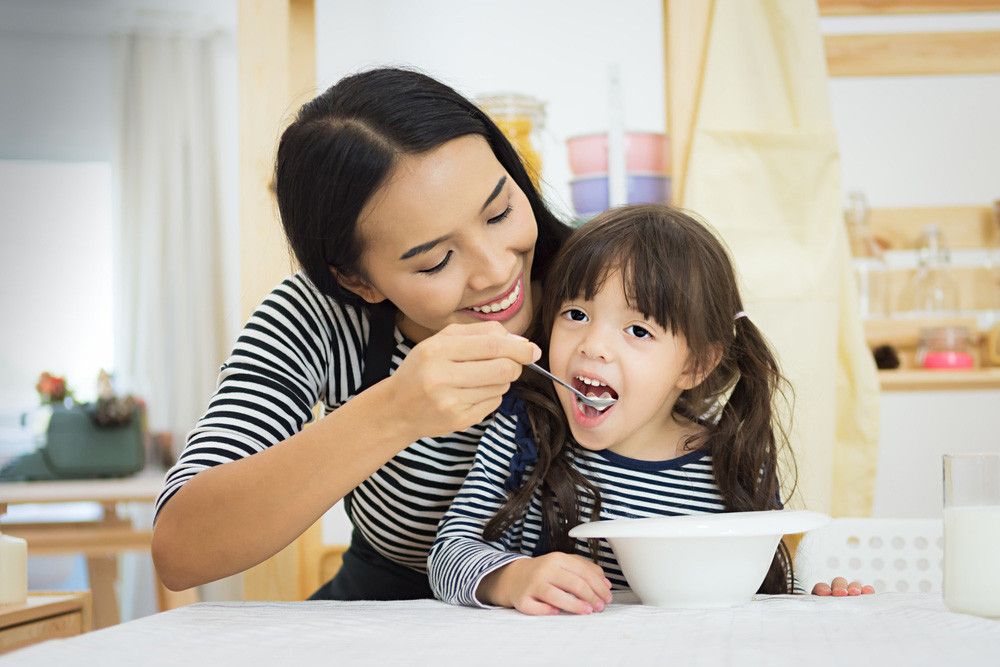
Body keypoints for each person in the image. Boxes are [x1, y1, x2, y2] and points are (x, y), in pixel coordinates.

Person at [151, 67, 572, 600]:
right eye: (436, 260)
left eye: (499, 212)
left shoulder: (607, 280)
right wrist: (395, 411)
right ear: (357, 280)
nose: (495, 269)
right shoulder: (320, 317)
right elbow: (181, 549)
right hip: (382, 614)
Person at [427, 205, 873, 614]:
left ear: (695, 365)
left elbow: (754, 598)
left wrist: (812, 603)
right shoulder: (525, 432)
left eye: (638, 331)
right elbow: (448, 555)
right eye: (577, 314)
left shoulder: (733, 462)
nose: (593, 346)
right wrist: (511, 578)